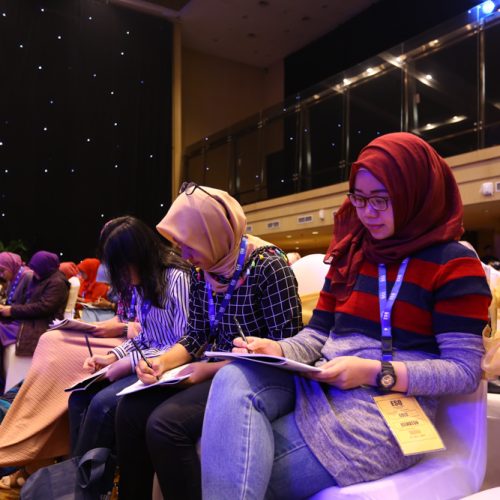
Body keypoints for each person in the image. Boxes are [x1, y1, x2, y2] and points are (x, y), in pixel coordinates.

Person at [200, 132, 491, 499]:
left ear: (414, 193)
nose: (367, 212)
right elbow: (316, 336)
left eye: (381, 200)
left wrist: (374, 372)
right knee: (233, 377)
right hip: (320, 383)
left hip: (383, 411)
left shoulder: (454, 264)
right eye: (359, 198)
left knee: (240, 470)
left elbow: (464, 371)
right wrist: (278, 349)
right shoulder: (354, 253)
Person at [115, 183, 303, 500]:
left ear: (213, 234)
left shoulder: (268, 266)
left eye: (190, 245)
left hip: (261, 376)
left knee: (165, 425)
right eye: (181, 246)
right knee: (129, 410)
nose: (185, 255)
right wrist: (161, 363)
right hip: (217, 368)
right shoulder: (204, 271)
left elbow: (286, 348)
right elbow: (196, 335)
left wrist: (211, 368)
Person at [68, 216, 190, 457]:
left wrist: (129, 363)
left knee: (102, 405)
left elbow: (185, 344)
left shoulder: (177, 278)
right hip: (149, 363)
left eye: (121, 267)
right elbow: (146, 337)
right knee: (79, 397)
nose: (119, 275)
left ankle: (85, 479)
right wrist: (112, 357)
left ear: (138, 256)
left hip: (169, 368)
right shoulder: (143, 281)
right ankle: (77, 474)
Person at [0, 251, 69, 357]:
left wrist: (12, 310)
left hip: (41, 325)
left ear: (44, 267)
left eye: (36, 269)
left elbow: (43, 308)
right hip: (32, 320)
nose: (33, 272)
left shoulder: (58, 283)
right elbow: (30, 301)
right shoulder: (43, 277)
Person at [0, 253, 33, 356]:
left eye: (2, 271)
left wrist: (10, 309)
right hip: (12, 319)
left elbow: (32, 307)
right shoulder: (13, 277)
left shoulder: (28, 276)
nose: (1, 275)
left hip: (22, 323)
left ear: (11, 266)